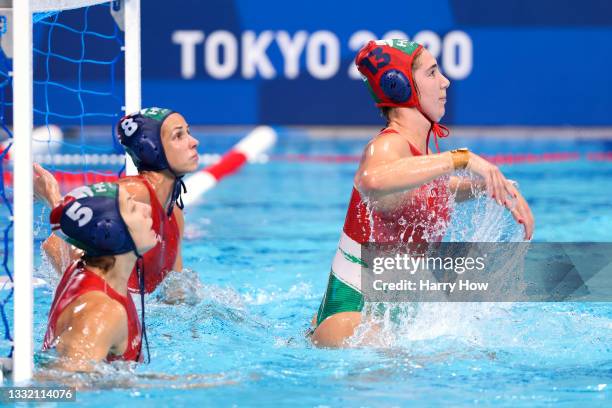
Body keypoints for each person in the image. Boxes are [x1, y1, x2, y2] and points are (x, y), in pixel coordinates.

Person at [310, 39, 535, 347]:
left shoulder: (417, 157)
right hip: (352, 319)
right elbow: (370, 179)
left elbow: (433, 190)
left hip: (385, 318)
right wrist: (462, 159)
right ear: (399, 86)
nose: (445, 81)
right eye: (432, 73)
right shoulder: (388, 145)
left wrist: (492, 187)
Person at [35, 107, 200, 294]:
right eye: (178, 136)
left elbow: (174, 294)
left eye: (188, 133)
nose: (194, 142)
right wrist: (53, 197)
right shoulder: (131, 194)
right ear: (152, 149)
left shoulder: (175, 214)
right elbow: (54, 244)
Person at [42, 182, 157, 371]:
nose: (147, 208)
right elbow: (63, 387)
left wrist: (53, 196)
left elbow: (55, 246)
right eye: (133, 208)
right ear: (111, 233)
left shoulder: (82, 265)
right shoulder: (102, 314)